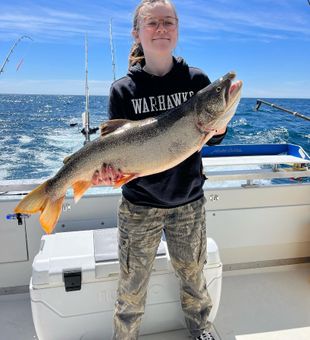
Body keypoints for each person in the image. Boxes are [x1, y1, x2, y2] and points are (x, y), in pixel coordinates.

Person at [92, 1, 227, 339]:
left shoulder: (198, 80)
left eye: (169, 22)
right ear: (137, 33)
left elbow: (211, 141)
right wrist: (109, 173)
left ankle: (201, 329)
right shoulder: (123, 89)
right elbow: (113, 149)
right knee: (132, 286)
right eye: (152, 23)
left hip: (188, 201)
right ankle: (125, 336)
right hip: (139, 206)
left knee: (194, 277)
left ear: (178, 30)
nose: (162, 29)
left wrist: (220, 128)